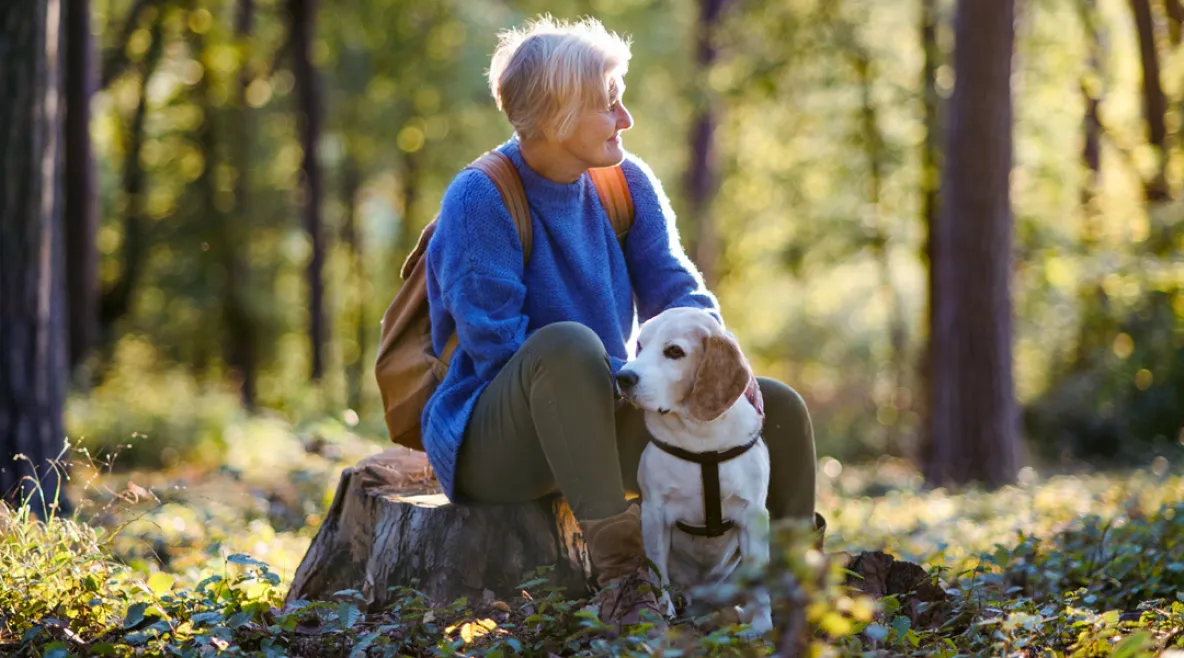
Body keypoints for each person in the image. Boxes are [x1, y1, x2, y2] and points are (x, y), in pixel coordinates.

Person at [421, 15, 822, 628]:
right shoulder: (481, 198)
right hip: (500, 441)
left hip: (607, 409)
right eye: (610, 104)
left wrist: (723, 364)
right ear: (557, 115)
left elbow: (680, 291)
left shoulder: (626, 183)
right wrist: (627, 376)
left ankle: (791, 589)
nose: (626, 119)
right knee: (567, 347)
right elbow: (497, 346)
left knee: (779, 407)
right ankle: (627, 582)